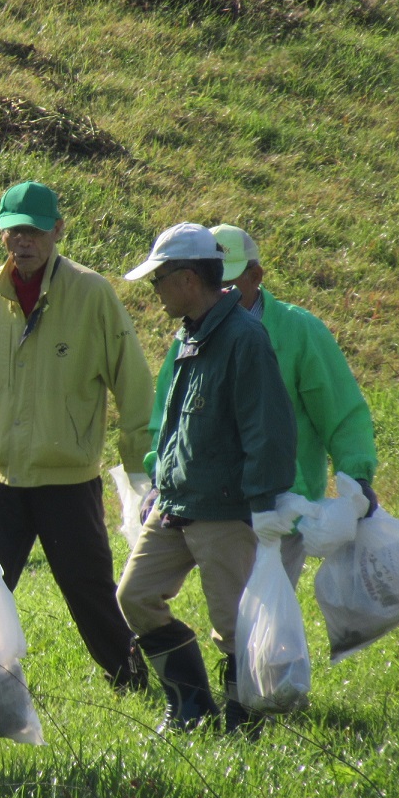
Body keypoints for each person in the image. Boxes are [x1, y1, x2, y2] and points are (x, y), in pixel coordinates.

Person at [0, 181, 154, 692]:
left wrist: (138, 463)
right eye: (13, 231)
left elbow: (132, 379)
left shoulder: (91, 292)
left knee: (90, 591)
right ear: (1, 236)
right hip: (3, 479)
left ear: (58, 230)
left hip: (69, 480)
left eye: (34, 231)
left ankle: (129, 678)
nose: (23, 242)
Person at [118, 223, 297, 734]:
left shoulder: (244, 339)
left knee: (233, 628)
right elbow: (175, 423)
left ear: (189, 279)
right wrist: (159, 483)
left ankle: (245, 724)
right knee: (134, 597)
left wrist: (263, 505)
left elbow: (270, 429)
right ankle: (191, 706)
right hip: (175, 503)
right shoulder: (188, 336)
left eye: (159, 280)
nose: (155, 292)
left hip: (224, 510)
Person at [143, 224, 378, 586]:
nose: (221, 291)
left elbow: (341, 412)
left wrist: (357, 475)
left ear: (256, 275)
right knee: (237, 616)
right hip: (213, 504)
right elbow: (166, 417)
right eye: (217, 279)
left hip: (282, 505)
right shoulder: (190, 336)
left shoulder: (298, 332)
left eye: (231, 281)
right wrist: (159, 477)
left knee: (266, 615)